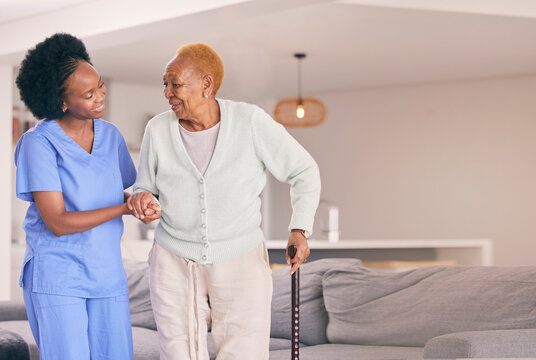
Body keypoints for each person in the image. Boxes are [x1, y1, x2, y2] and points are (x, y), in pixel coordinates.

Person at [128, 42, 321, 360]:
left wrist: (300, 228)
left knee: (244, 350)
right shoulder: (158, 129)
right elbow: (145, 188)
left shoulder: (250, 122)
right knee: (179, 352)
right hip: (173, 258)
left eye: (175, 84)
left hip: (240, 256)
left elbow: (304, 170)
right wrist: (143, 199)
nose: (167, 93)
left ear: (206, 84)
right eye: (165, 84)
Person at [14, 33, 151, 360]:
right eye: (89, 94)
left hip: (107, 274)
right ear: (61, 101)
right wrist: (124, 208)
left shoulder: (111, 135)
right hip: (58, 276)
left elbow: (120, 191)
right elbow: (57, 222)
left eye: (100, 86)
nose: (101, 96)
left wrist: (140, 201)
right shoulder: (39, 143)